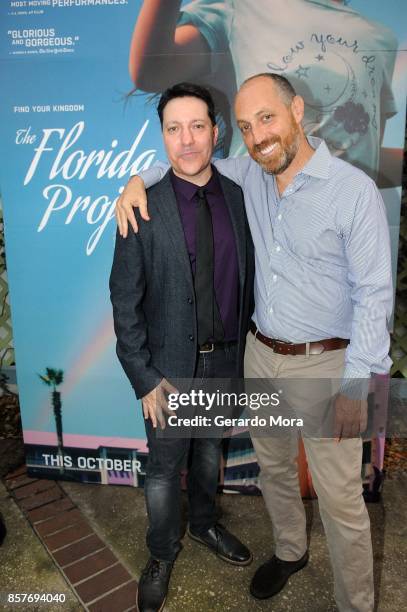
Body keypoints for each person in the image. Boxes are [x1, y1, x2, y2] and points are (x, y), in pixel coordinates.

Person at [115, 73, 393, 611]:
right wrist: (134, 181)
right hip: (262, 354)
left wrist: (360, 386)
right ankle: (290, 551)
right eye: (246, 125)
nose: (258, 134)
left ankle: (357, 604)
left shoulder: (352, 189)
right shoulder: (252, 175)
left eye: (266, 117)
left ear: (297, 110)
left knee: (341, 501)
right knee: (274, 470)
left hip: (330, 364)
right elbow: (186, 162)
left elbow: (375, 296)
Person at [110, 82, 254, 612]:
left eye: (197, 126)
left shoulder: (239, 196)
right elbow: (124, 299)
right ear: (163, 136)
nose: (187, 140)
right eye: (174, 128)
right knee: (165, 470)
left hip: (225, 362)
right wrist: (143, 377)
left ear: (216, 132)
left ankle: (204, 527)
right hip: (168, 370)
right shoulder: (141, 207)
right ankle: (161, 553)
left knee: (211, 451)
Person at [128, 0, 401, 186]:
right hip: (263, 232)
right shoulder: (244, 8)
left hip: (344, 242)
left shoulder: (382, 39)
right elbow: (153, 68)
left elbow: (364, 152)